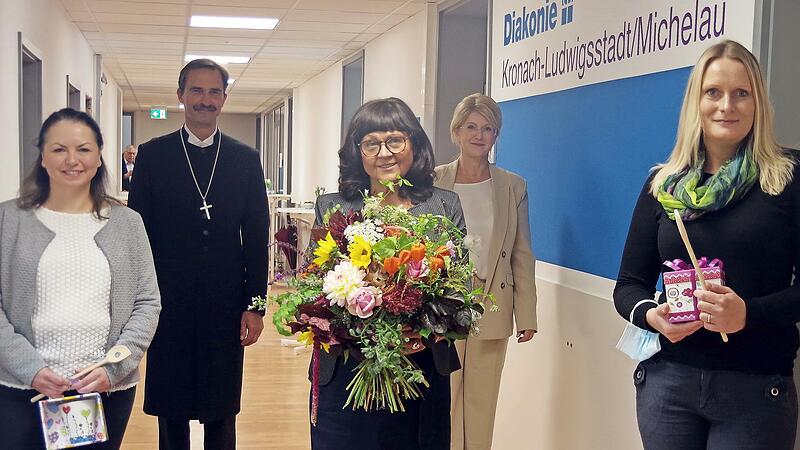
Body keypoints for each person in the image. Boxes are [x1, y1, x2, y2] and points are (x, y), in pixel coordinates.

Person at [614, 40, 800, 449]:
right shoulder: (663, 184)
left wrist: (747, 314)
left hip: (755, 389)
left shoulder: (788, 178)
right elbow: (628, 284)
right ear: (695, 101)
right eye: (713, 92)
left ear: (758, 103)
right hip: (668, 386)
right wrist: (652, 316)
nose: (726, 106)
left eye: (741, 93)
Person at [127, 59, 269, 450]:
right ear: (180, 96)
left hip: (225, 304)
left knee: (220, 406)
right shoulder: (153, 157)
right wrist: (138, 305)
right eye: (196, 91)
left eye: (214, 92)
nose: (205, 100)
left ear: (224, 98)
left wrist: (256, 306)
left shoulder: (245, 159)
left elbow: (257, 238)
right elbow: (136, 237)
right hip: (166, 302)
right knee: (171, 406)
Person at [0, 108, 161, 449]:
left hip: (105, 390)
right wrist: (29, 368)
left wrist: (115, 367)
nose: (72, 160)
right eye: (59, 149)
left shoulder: (128, 223)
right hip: (19, 390)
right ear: (42, 157)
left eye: (84, 149)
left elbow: (147, 302)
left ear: (99, 156)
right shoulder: (8, 220)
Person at [311, 97, 464, 450]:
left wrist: (421, 325)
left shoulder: (444, 206)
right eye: (371, 143)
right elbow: (318, 291)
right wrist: (367, 327)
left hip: (421, 364)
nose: (385, 152)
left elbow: (460, 287)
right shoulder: (333, 207)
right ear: (357, 152)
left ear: (415, 144)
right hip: (347, 370)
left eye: (395, 139)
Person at [434, 93, 538, 450]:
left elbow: (522, 254)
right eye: (471, 127)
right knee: (442, 402)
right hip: (442, 311)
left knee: (481, 406)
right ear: (456, 132)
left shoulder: (513, 185)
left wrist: (527, 315)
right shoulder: (433, 182)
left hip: (491, 307)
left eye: (488, 128)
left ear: (496, 136)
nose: (479, 135)